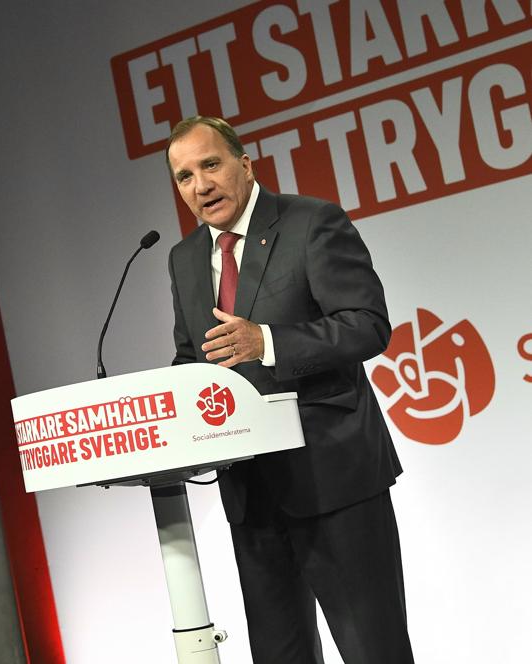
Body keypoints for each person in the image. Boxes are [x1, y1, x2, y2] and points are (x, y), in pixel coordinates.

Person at [164, 116, 413, 662]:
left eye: (211, 164)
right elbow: (193, 359)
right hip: (251, 491)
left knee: (375, 649)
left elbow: (368, 324)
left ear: (244, 164)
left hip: (335, 481)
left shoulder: (311, 223)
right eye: (184, 176)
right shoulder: (183, 259)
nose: (201, 185)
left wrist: (268, 342)